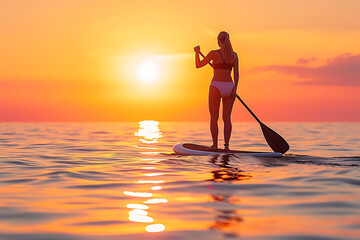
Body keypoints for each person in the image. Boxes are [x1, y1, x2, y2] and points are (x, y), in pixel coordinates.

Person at [194, 31, 239, 151]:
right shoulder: (234, 55)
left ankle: (215, 145)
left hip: (216, 86)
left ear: (219, 41)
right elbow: (236, 75)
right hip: (230, 87)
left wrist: (197, 52)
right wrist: (235, 89)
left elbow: (198, 65)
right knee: (227, 118)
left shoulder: (214, 54)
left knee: (214, 117)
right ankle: (227, 147)